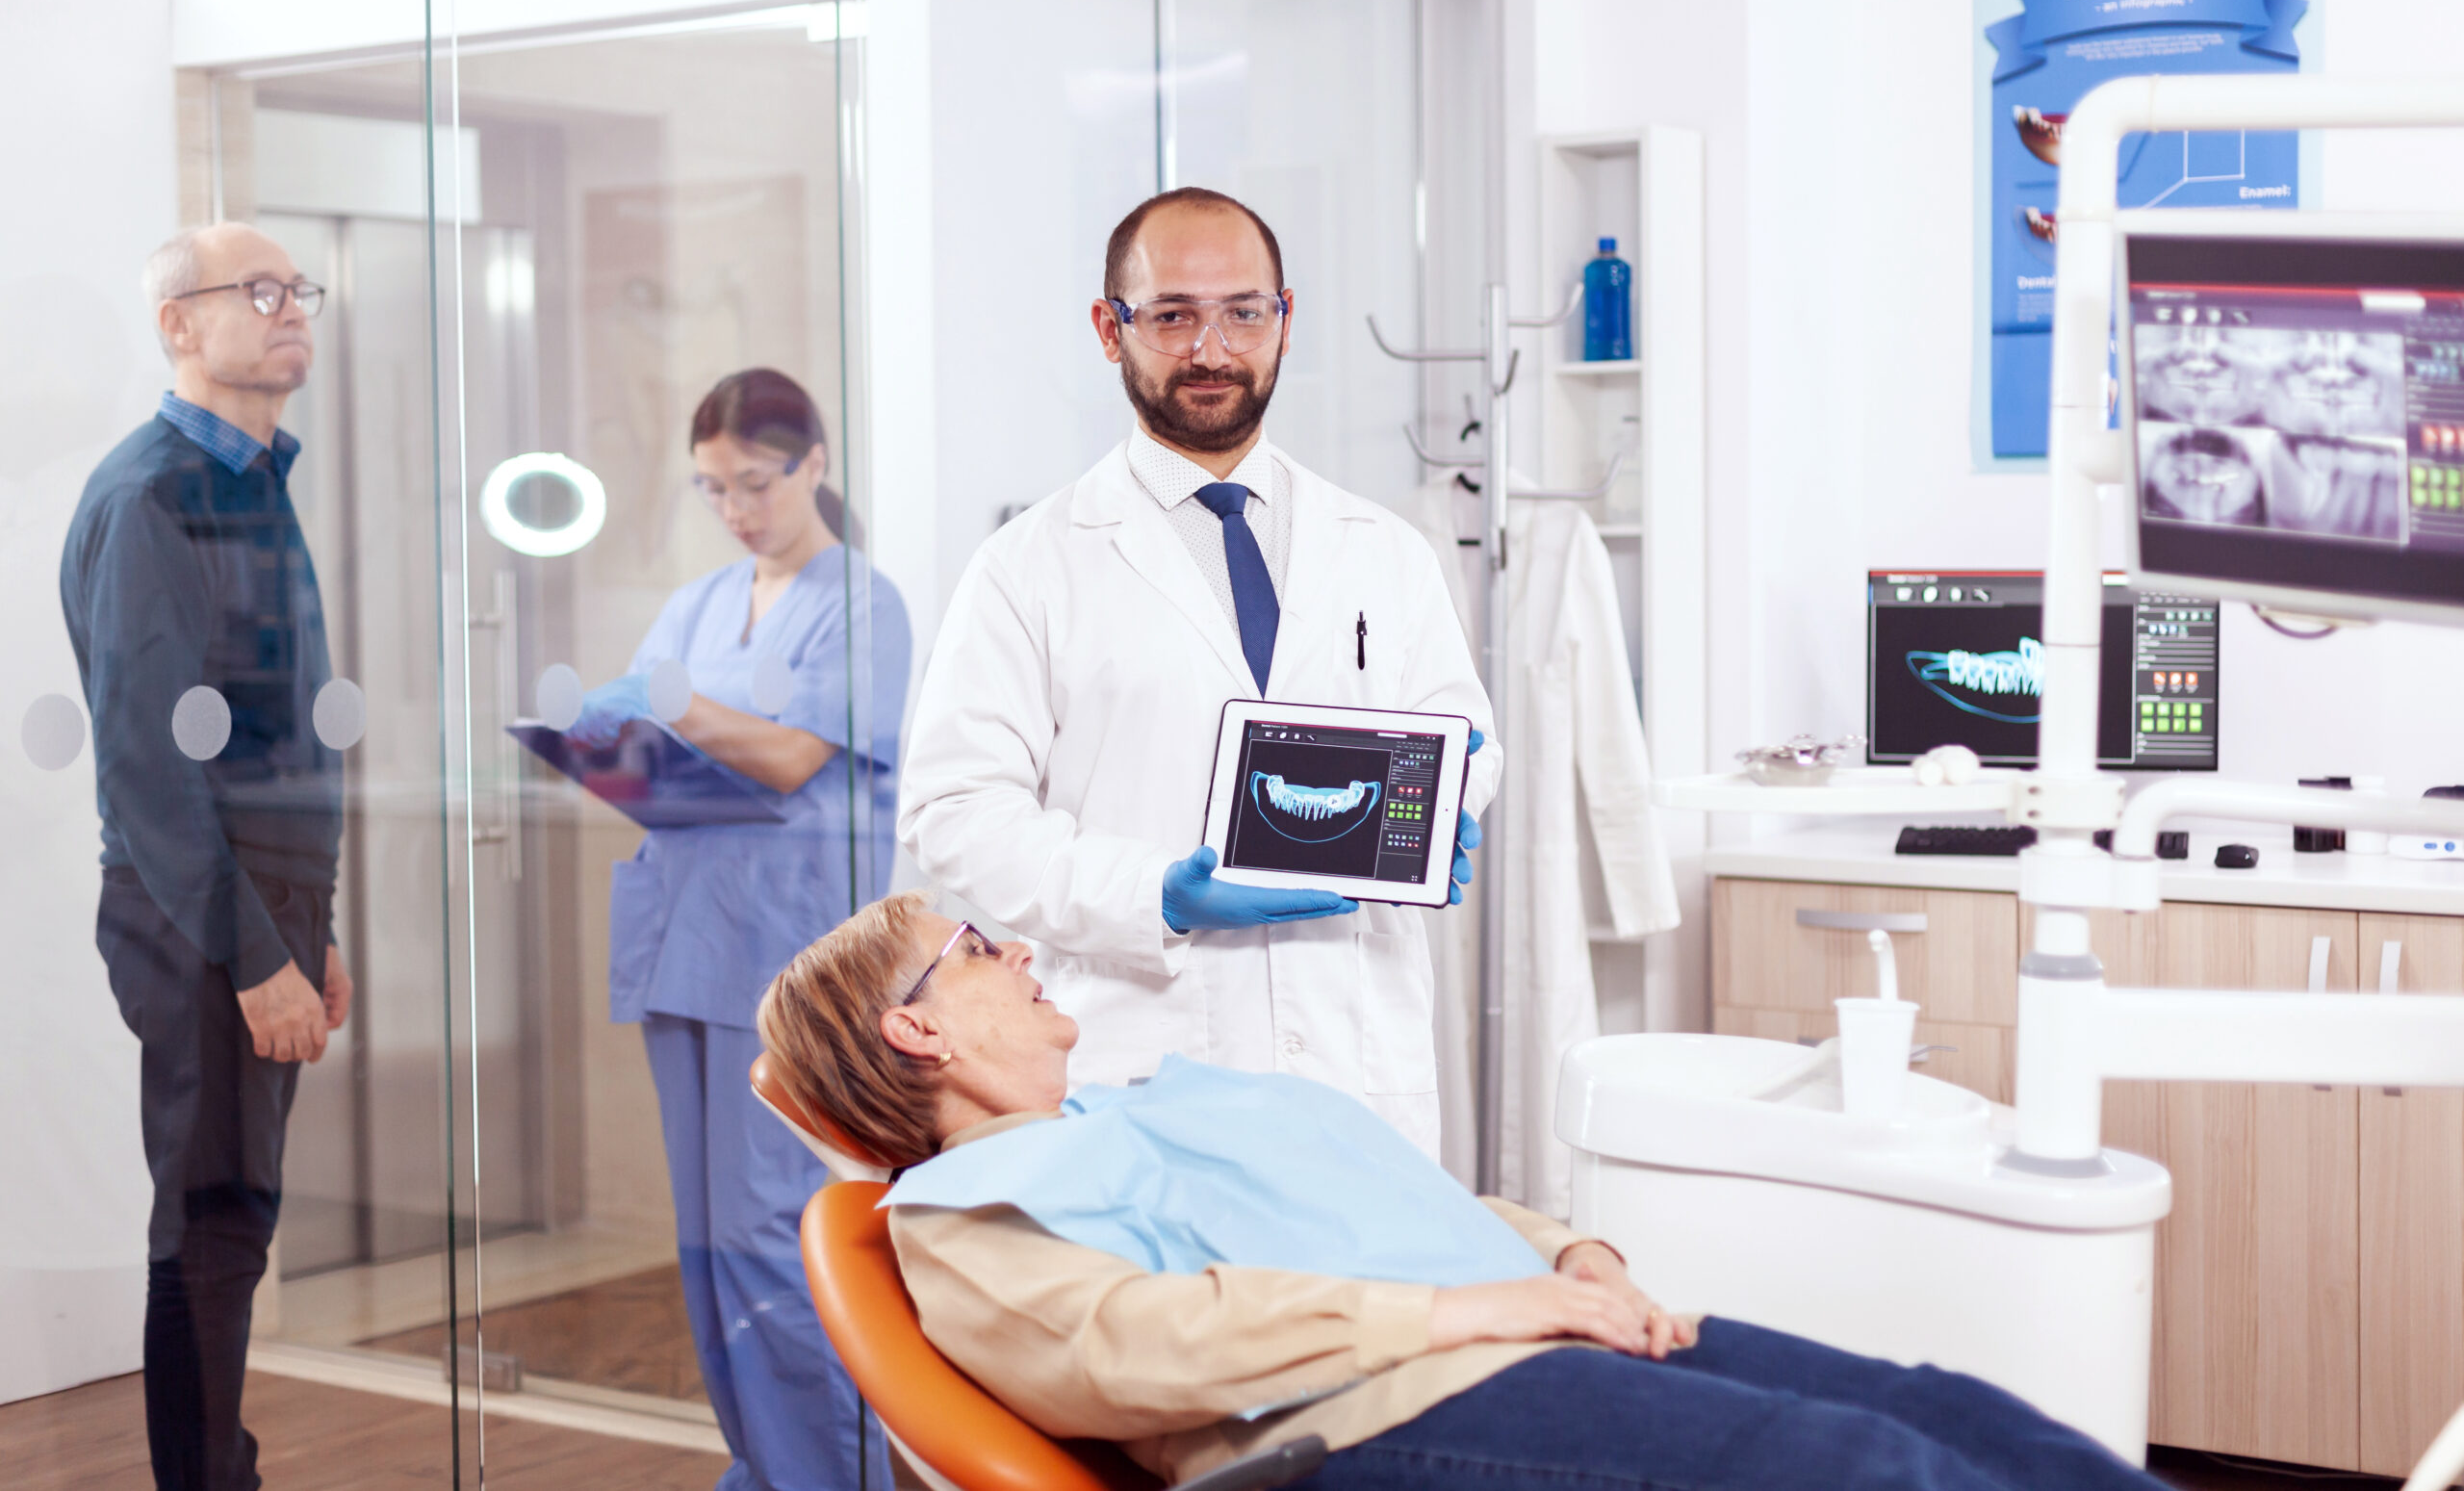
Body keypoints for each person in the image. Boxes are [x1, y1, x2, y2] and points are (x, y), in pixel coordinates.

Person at [755, 892, 2171, 1491]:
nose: (1019, 950)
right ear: (917, 1028)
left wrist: (1573, 1258)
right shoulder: (961, 1215)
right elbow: (1136, 1349)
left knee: (1957, 1417)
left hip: (1532, 1331)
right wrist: (1472, 1314)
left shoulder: (1152, 1101)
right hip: (1368, 1424)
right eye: (979, 945)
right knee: (1867, 1471)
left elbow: (1388, 1200)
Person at [897, 188, 1499, 1158]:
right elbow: (954, 811)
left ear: (1285, 320)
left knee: (1368, 1257)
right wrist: (1153, 894)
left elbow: (1465, 740)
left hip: (1353, 1064)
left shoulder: (1383, 550)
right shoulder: (1028, 566)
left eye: (1243, 313)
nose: (1212, 350)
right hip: (1146, 1067)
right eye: (1173, 315)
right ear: (1110, 329)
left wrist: (1436, 809)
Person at [567, 367, 908, 1491]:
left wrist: (669, 706)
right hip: (686, 943)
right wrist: (600, 743)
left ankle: (829, 1478)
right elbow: (667, 754)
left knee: (776, 1233)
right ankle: (763, 1467)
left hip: (786, 955)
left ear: (814, 464)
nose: (736, 509)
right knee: (708, 1242)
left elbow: (794, 755)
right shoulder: (699, 604)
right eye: (713, 488)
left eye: (756, 482)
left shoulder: (863, 604)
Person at [60, 223, 350, 1491]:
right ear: (177, 324)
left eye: (302, 292)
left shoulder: (252, 479)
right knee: (211, 1222)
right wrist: (254, 951)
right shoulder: (152, 495)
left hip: (261, 903)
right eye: (260, 290)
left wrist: (313, 927)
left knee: (236, 1215)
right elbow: (149, 769)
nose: (292, 311)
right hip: (196, 912)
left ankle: (220, 1467)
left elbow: (273, 739)